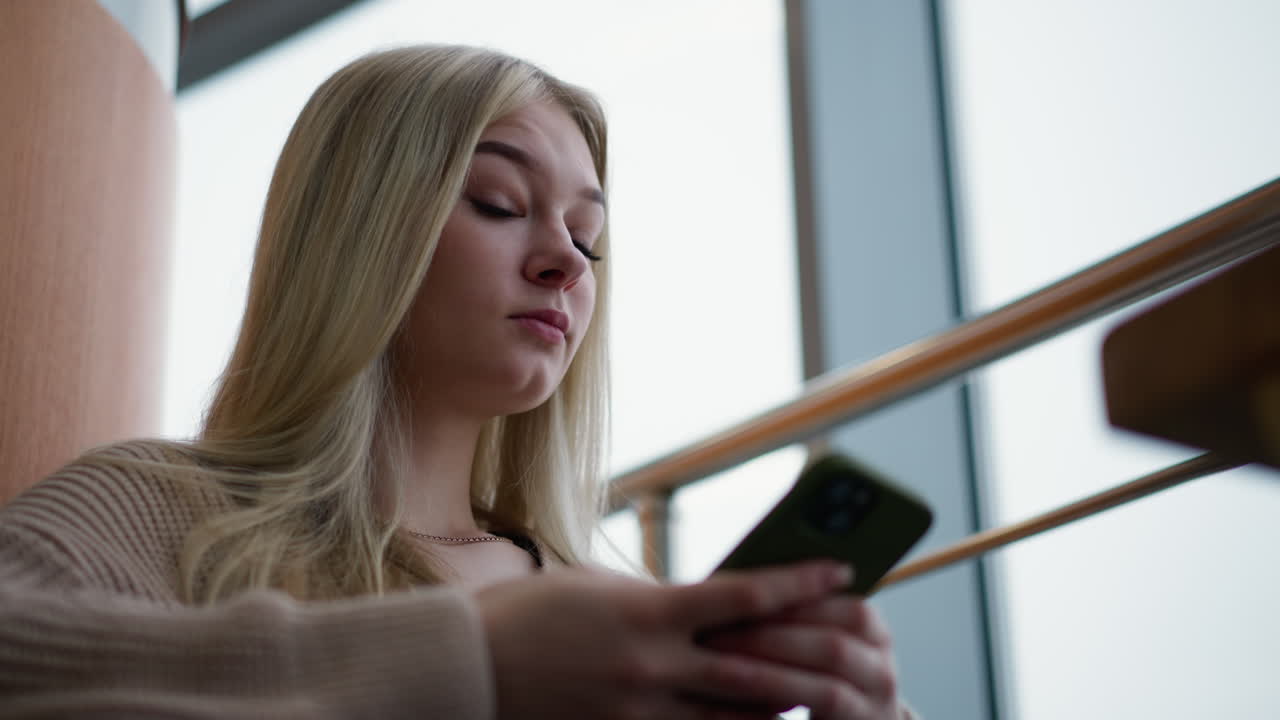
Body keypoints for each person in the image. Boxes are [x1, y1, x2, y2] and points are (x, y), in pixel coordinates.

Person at [0, 45, 914, 719]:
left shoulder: (610, 608)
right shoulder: (159, 512)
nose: (567, 260)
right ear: (361, 234)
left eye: (588, 237)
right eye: (499, 204)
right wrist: (466, 662)